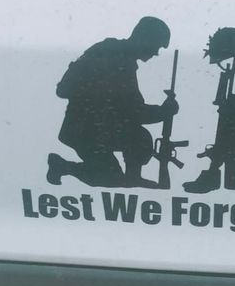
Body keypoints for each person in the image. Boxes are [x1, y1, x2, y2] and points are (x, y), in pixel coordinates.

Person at [47, 17, 179, 188]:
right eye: (156, 46)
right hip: (85, 131)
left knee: (140, 138)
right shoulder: (115, 59)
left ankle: (133, 177)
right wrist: (163, 112)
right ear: (144, 39)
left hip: (103, 127)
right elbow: (134, 112)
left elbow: (129, 109)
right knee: (110, 177)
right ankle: (63, 166)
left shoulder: (121, 58)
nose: (156, 53)